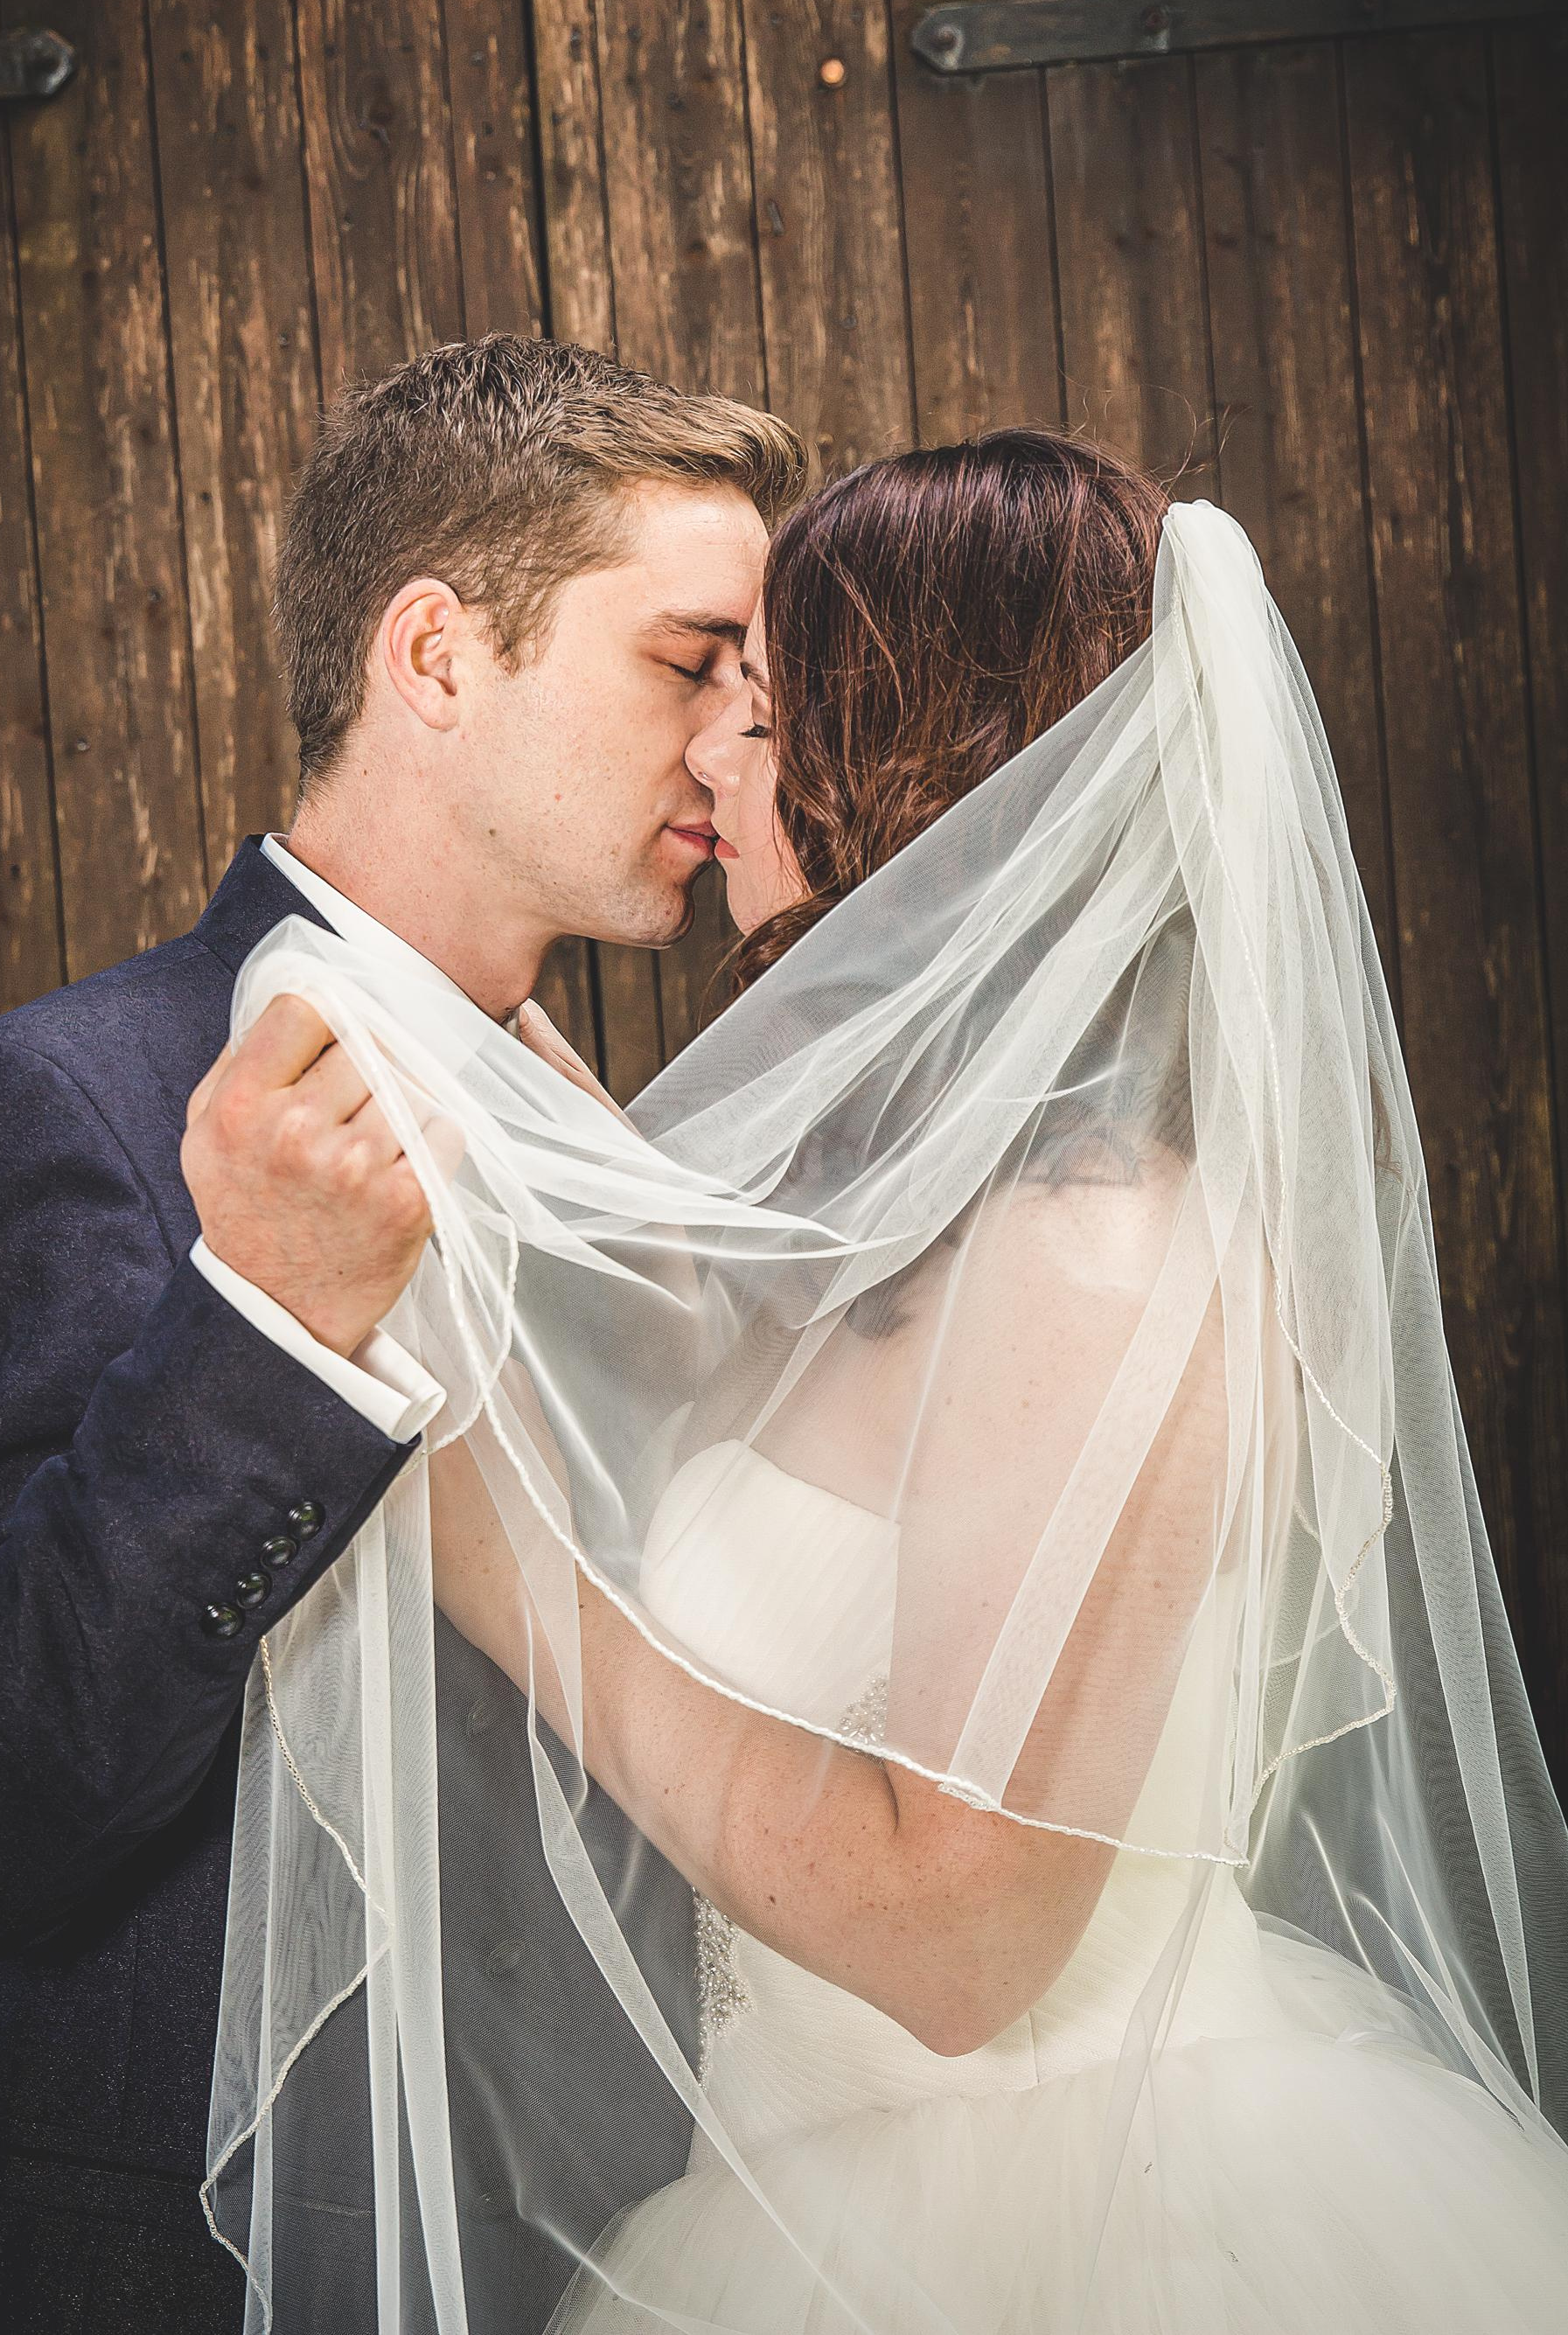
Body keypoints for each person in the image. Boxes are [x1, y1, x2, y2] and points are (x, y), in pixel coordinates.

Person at [213, 431, 1568, 2330]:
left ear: (923, 759)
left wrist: (491, 1543)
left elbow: (959, 1937)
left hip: (1064, 2229)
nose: (705, 759)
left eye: (759, 718)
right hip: (785, 2182)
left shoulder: (1092, 1248)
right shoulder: (917, 1214)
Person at [0, 336, 806, 2335]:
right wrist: (265, 1326)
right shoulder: (60, 1108)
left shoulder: (630, 1150)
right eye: (683, 660)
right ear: (434, 656)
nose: (734, 741)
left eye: (753, 681)